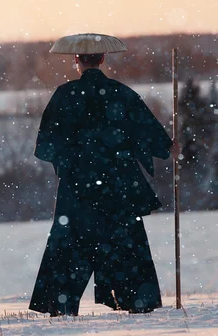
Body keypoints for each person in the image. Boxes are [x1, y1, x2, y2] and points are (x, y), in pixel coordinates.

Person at [28, 33, 175, 316]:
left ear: (76, 60)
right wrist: (169, 147)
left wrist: (72, 160)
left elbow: (46, 146)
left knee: (70, 242)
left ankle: (59, 303)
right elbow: (152, 137)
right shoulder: (122, 94)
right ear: (103, 58)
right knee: (125, 242)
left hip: (77, 187)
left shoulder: (65, 95)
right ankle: (134, 300)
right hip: (119, 187)